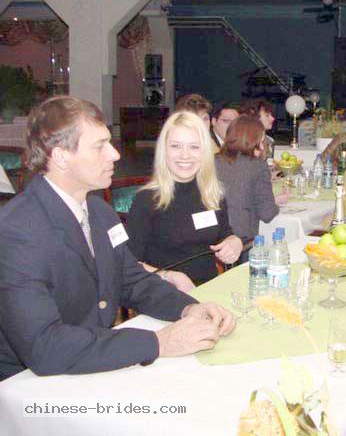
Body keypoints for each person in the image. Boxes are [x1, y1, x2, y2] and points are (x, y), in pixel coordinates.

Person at [0, 96, 235, 381]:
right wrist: (159, 343)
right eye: (100, 146)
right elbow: (45, 347)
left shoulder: (100, 212)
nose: (115, 154)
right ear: (61, 156)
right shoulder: (16, 230)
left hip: (92, 359)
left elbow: (131, 280)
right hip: (29, 383)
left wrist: (189, 307)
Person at [127, 111, 243, 286]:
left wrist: (234, 241)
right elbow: (128, 263)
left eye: (194, 147)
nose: (185, 155)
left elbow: (223, 233)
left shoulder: (213, 194)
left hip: (207, 289)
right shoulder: (146, 200)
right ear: (164, 151)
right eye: (176, 146)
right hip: (164, 291)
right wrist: (168, 276)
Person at [215, 116, 284, 261]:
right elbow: (267, 214)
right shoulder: (257, 166)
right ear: (253, 141)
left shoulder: (212, 161)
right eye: (261, 141)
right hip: (241, 244)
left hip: (212, 238)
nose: (263, 147)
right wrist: (276, 204)